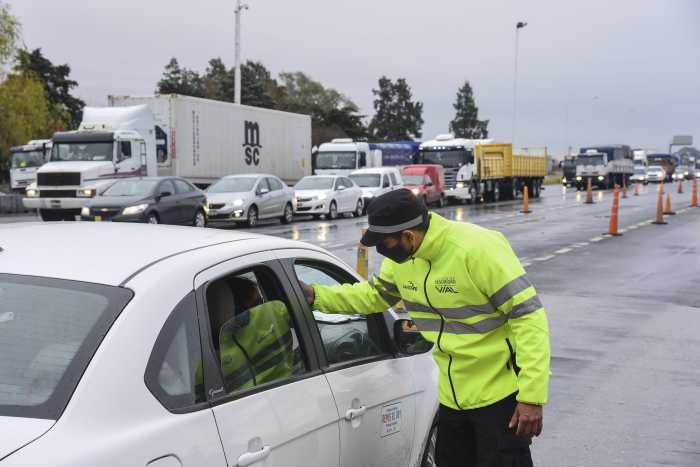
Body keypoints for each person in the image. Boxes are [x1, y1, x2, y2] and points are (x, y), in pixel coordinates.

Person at [300, 189, 550, 467]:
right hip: (452, 399)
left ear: (409, 236)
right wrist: (316, 296)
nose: (382, 251)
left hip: (500, 399)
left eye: (385, 244)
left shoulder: (475, 249)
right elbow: (373, 296)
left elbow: (529, 318)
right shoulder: (404, 261)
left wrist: (531, 396)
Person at [206, 276, 294, 393]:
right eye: (257, 301)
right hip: (290, 392)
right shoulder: (275, 313)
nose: (262, 306)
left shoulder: (204, 361)